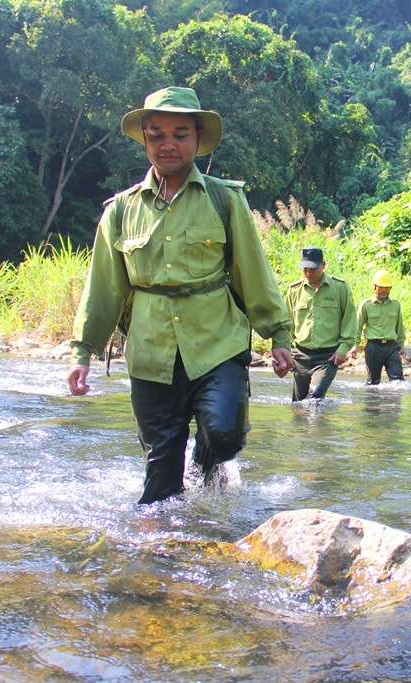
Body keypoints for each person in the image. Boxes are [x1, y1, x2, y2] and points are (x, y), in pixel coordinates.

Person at [67, 86, 294, 505]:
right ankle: (159, 553)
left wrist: (278, 335)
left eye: (180, 133)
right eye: (156, 135)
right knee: (161, 471)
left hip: (216, 342)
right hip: (151, 350)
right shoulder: (120, 210)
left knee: (224, 434)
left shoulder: (224, 199)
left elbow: (252, 272)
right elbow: (103, 288)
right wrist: (84, 352)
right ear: (146, 141)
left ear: (197, 138)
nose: (167, 144)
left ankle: (210, 463)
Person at [284, 247, 358, 401]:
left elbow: (350, 320)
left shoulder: (340, 288)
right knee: (298, 404)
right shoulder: (294, 290)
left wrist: (343, 349)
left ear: (323, 265)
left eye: (313, 268)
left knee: (316, 394)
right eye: (305, 269)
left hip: (328, 357)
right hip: (300, 356)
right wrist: (287, 351)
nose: (308, 273)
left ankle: (315, 424)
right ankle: (304, 426)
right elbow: (287, 323)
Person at [350, 269, 407, 384]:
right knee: (373, 382)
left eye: (387, 288)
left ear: (390, 289)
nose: (384, 291)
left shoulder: (395, 305)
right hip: (374, 347)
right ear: (374, 287)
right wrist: (354, 345)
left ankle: (394, 402)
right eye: (381, 287)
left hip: (392, 347)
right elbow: (358, 326)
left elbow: (399, 326)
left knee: (398, 382)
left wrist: (401, 345)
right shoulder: (366, 305)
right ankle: (372, 402)